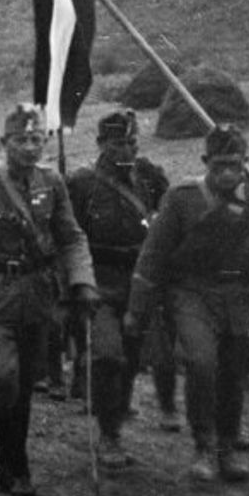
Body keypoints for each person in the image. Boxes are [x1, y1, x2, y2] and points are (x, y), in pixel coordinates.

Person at [0, 105, 98, 496]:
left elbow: (71, 236)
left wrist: (82, 281)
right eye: (20, 140)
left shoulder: (52, 181)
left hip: (35, 298)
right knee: (5, 378)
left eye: (36, 139)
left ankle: (11, 461)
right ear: (4, 143)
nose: (30, 147)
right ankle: (18, 464)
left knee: (24, 386)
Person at [127, 123, 249, 485]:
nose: (228, 174)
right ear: (205, 162)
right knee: (201, 362)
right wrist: (137, 308)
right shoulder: (183, 197)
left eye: (235, 165)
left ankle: (226, 448)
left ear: (246, 162)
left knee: (233, 373)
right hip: (193, 293)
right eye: (219, 166)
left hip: (240, 295)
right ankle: (204, 446)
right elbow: (153, 254)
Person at [66, 109, 167, 469]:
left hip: (136, 283)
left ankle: (115, 422)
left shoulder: (148, 178)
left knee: (130, 360)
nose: (126, 150)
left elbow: (166, 216)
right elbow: (69, 237)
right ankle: (108, 435)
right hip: (97, 283)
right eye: (118, 143)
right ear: (101, 144)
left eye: (131, 142)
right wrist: (74, 285)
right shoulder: (82, 184)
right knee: (108, 355)